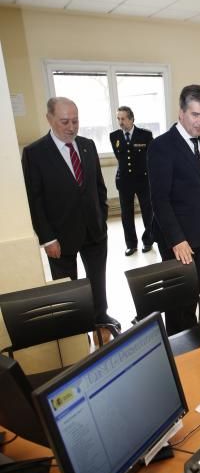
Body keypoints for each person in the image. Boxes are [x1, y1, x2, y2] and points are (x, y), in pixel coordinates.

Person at [21, 97, 120, 330]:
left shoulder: (87, 145)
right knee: (69, 287)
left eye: (75, 121)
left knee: (97, 278)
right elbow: (34, 201)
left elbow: (98, 187)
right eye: (64, 121)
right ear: (49, 119)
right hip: (60, 236)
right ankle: (76, 326)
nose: (71, 127)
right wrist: (47, 238)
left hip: (94, 229)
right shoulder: (35, 153)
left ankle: (100, 316)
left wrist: (102, 217)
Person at [147, 84, 200, 335]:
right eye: (195, 114)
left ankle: (190, 332)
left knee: (193, 290)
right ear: (181, 113)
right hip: (176, 238)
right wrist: (177, 240)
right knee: (177, 297)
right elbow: (159, 199)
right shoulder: (162, 146)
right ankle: (177, 342)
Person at [109, 106, 154, 256]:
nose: (120, 122)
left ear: (132, 119)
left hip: (143, 180)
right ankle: (131, 244)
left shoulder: (145, 135)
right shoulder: (114, 136)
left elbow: (151, 156)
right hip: (124, 181)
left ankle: (148, 241)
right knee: (126, 214)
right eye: (118, 119)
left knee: (148, 212)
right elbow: (119, 157)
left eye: (123, 118)